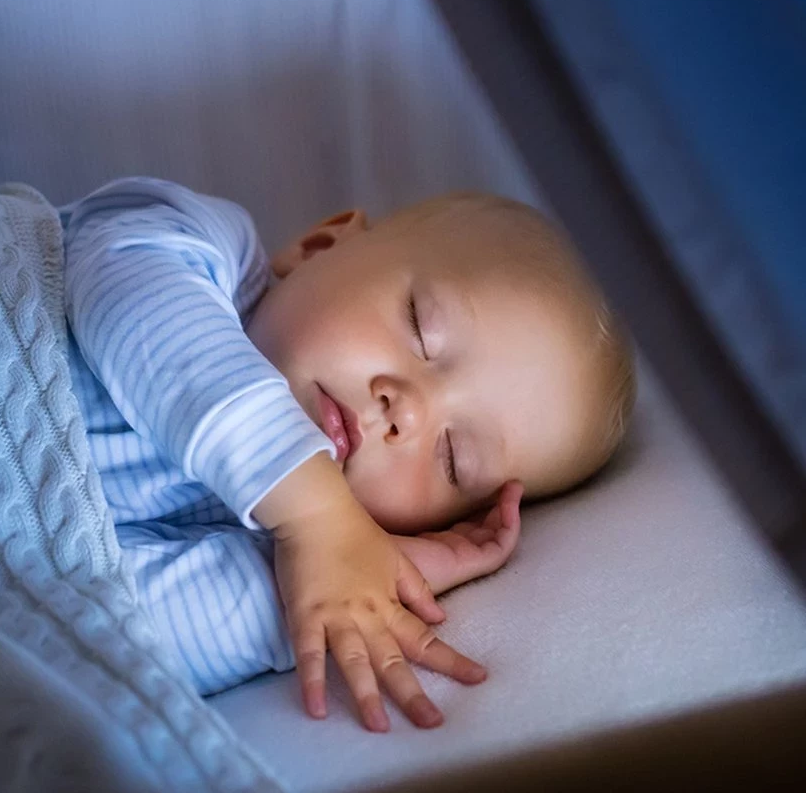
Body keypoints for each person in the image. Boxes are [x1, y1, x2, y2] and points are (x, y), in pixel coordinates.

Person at [64, 177, 636, 730]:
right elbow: (125, 289)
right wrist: (314, 509)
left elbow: (83, 636)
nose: (407, 411)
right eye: (421, 331)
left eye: (453, 457)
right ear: (321, 245)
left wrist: (357, 579)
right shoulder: (203, 248)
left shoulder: (260, 541)